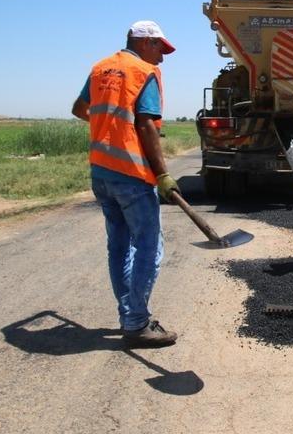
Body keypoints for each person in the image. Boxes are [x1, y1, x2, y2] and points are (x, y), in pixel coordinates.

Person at [71, 20, 180, 348]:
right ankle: (136, 323)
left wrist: (109, 126)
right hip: (132, 174)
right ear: (145, 43)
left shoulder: (100, 68)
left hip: (101, 173)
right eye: (160, 48)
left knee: (118, 246)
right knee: (149, 246)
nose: (162, 56)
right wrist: (162, 174)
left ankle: (128, 313)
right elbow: (146, 124)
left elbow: (79, 109)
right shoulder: (143, 71)